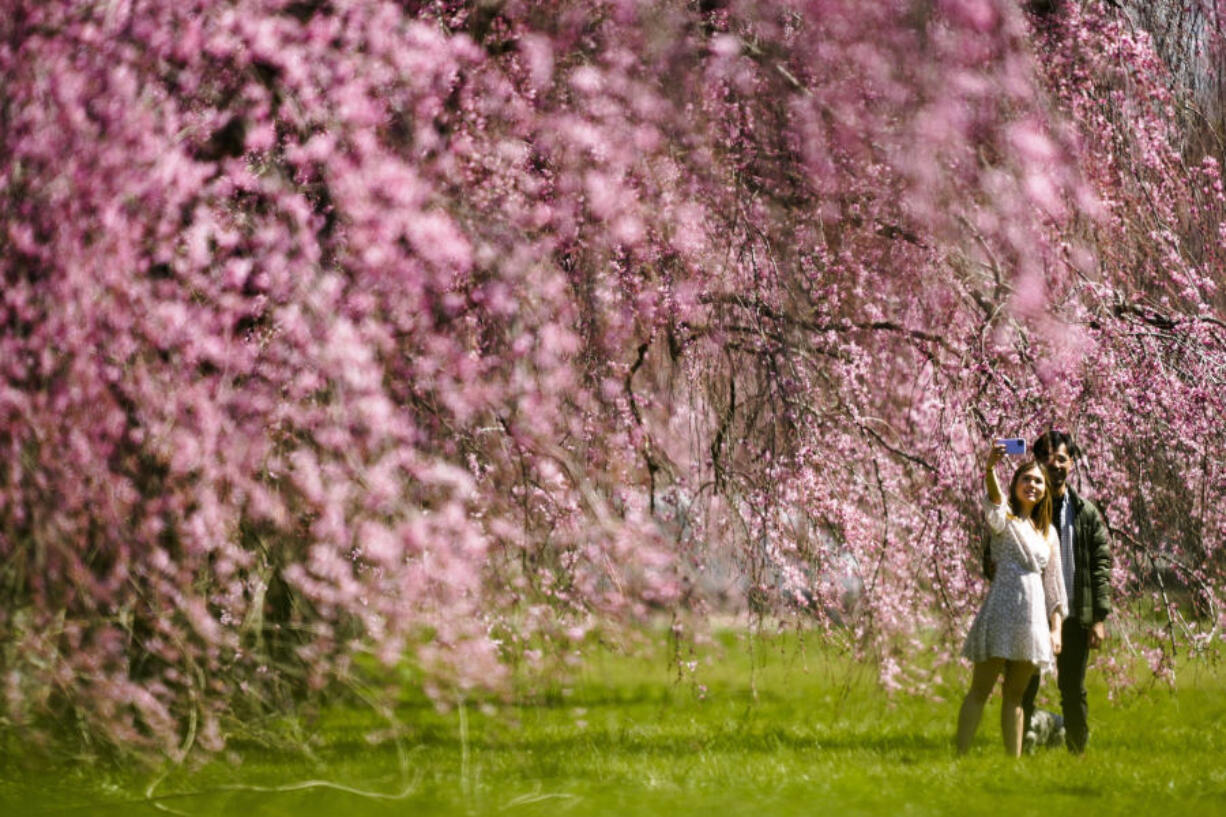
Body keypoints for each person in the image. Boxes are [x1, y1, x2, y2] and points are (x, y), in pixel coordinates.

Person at [956, 443, 1068, 756]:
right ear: (1015, 484)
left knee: (1015, 696)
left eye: (1038, 481)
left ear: (1045, 490)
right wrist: (990, 468)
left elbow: (1054, 586)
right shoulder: (1004, 520)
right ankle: (960, 756)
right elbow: (994, 499)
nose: (1032, 485)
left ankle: (1013, 764)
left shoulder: (1048, 533)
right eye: (1026, 480)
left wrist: (1056, 629)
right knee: (980, 689)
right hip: (1001, 613)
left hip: (1031, 621)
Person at [1018, 430, 1113, 754]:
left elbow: (1101, 565)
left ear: (1071, 463)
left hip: (1074, 612)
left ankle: (1077, 750)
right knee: (1025, 685)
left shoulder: (1085, 513)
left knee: (1072, 687)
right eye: (1045, 457)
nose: (1053, 464)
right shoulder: (1024, 510)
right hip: (1032, 613)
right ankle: (1018, 748)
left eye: (1060, 458)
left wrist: (1098, 619)